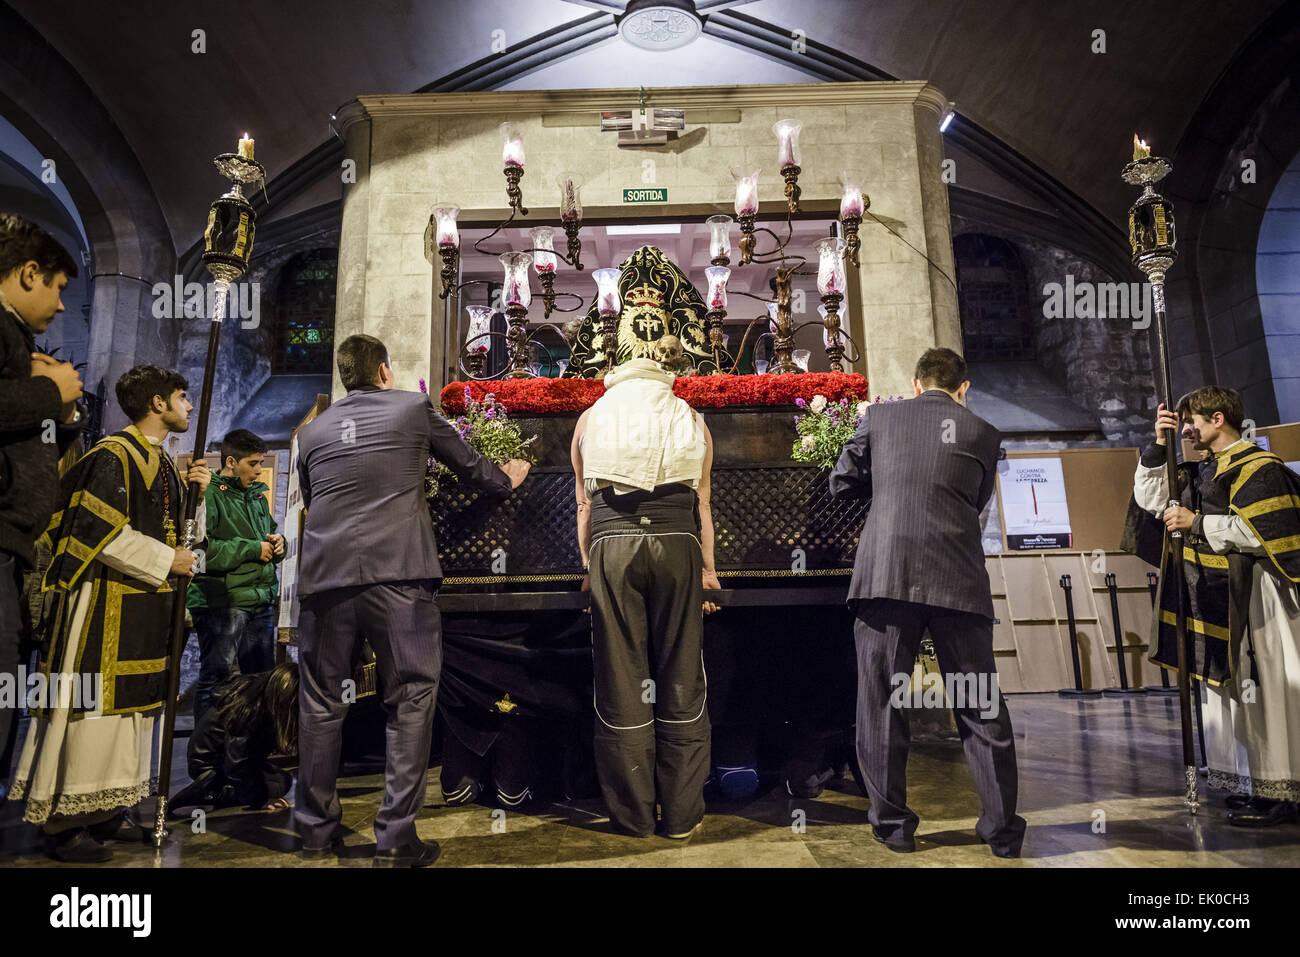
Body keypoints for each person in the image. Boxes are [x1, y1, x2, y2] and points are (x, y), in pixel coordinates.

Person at [294, 334, 529, 867]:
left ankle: (312, 829)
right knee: (411, 698)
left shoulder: (310, 434)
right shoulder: (410, 407)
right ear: (383, 371)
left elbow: (314, 502)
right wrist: (505, 480)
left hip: (325, 579)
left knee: (321, 702)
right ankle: (395, 836)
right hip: (398, 574)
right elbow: (467, 465)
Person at [8, 365, 210, 862]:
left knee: (132, 715)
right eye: (182, 397)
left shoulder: (162, 464)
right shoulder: (111, 456)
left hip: (145, 603)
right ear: (157, 404)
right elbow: (96, 532)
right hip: (101, 606)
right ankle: (64, 822)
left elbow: (186, 539)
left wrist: (197, 495)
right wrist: (169, 560)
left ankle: (105, 810)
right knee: (92, 708)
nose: (189, 406)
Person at [829, 347, 1024, 857]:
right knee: (980, 704)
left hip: (886, 576)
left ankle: (893, 828)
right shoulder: (983, 432)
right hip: (957, 580)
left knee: (881, 702)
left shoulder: (880, 417)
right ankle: (1002, 831)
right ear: (964, 388)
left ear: (915, 384)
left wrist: (890, 489)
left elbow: (840, 481)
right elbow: (975, 504)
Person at [570, 335, 719, 839]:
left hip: (613, 544)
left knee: (621, 677)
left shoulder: (591, 418)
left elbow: (584, 506)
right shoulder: (690, 415)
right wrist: (708, 571)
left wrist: (590, 569)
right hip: (678, 544)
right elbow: (702, 504)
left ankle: (633, 818)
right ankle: (680, 817)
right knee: (681, 673)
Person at [1135, 387, 1300, 826]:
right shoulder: (1204, 471)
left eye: (1192, 421)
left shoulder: (1261, 468)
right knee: (1234, 693)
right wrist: (1158, 443)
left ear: (1219, 418)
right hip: (1216, 597)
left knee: (1269, 692)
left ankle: (1284, 791)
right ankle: (1254, 783)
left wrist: (1200, 523)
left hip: (1261, 597)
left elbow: (1273, 533)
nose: (1186, 429)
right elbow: (1151, 501)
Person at [0, 214, 84, 788]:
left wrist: (63, 411)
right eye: (56, 288)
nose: (59, 307)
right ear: (29, 272)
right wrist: (48, 392)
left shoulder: (19, 341)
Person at [188, 429, 283, 724]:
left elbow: (268, 535)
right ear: (231, 461)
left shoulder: (256, 497)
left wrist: (279, 543)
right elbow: (197, 555)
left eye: (261, 463)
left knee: (260, 681)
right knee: (216, 680)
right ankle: (206, 758)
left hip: (259, 601)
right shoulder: (208, 495)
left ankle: (248, 751)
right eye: (253, 463)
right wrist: (253, 549)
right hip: (223, 603)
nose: (259, 470)